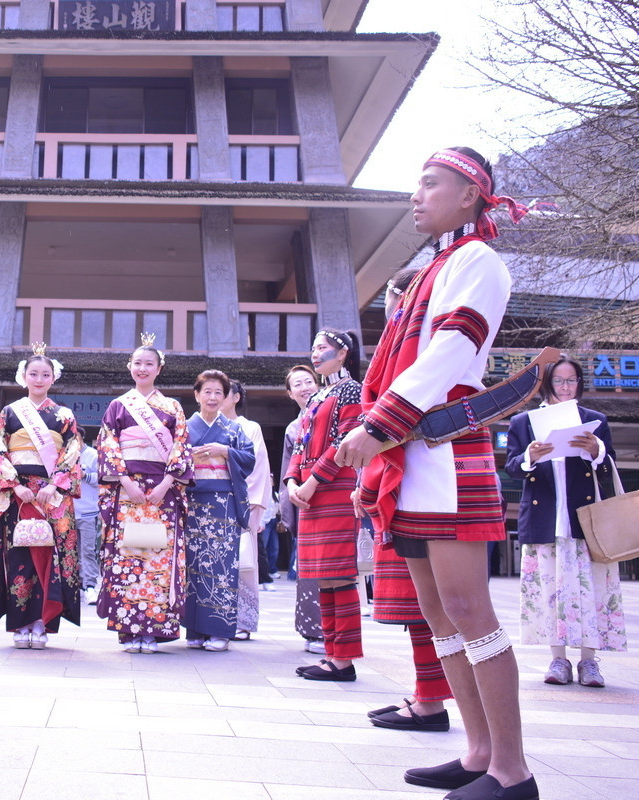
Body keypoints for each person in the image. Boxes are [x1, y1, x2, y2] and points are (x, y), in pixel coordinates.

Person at [338, 146, 535, 799]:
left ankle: (512, 771)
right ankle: (478, 752)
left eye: (431, 183)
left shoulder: (478, 261)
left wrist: (378, 425)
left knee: (468, 607)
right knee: (438, 613)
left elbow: (452, 349)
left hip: (446, 448)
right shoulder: (434, 266)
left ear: (471, 193)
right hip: (415, 454)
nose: (416, 195)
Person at [365, 266, 455, 733]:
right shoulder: (399, 344)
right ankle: (426, 696)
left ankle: (433, 702)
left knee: (434, 605)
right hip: (395, 476)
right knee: (420, 604)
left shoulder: (422, 341)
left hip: (414, 475)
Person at [506, 357, 625, 688]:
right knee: (550, 590)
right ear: (546, 384)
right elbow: (512, 468)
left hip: (585, 521)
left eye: (572, 381)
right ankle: (557, 658)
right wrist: (531, 456)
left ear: (580, 384)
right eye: (559, 381)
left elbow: (607, 470)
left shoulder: (594, 421)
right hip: (545, 518)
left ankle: (589, 662)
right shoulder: (525, 422)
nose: (566, 387)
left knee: (591, 589)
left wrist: (597, 450)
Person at [97, 335, 193, 654]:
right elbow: (108, 444)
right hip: (129, 492)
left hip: (161, 494)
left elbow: (181, 446)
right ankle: (129, 627)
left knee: (157, 560)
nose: (142, 368)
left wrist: (167, 483)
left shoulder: (173, 407)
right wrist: (124, 481)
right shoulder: (118, 406)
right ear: (129, 367)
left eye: (148, 363)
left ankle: (153, 629)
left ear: (159, 368)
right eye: (137, 363)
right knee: (130, 557)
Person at [0, 347, 82, 649]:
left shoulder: (64, 415)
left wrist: (54, 485)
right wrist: (15, 486)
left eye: (45, 374)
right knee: (18, 555)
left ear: (54, 378)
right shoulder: (10, 412)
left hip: (51, 496)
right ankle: (20, 622)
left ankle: (43, 621)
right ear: (23, 377)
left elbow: (73, 452)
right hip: (19, 495)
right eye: (33, 374)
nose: (39, 379)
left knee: (49, 557)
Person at [285, 329, 364, 681]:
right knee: (323, 577)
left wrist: (312, 481)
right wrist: (291, 481)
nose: (316, 353)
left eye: (324, 348)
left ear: (343, 352)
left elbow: (346, 442)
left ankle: (343, 658)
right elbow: (299, 443)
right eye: (314, 347)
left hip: (333, 487)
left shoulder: (351, 390)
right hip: (309, 490)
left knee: (340, 575)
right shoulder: (318, 396)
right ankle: (332, 654)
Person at [184, 370, 255, 650]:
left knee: (222, 564)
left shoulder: (235, 429)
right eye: (207, 391)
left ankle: (219, 630)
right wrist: (189, 456)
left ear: (226, 397)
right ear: (197, 395)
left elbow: (249, 459)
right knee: (193, 563)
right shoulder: (185, 427)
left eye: (218, 392)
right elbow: (172, 461)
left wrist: (225, 452)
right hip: (191, 501)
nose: (212, 397)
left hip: (223, 502)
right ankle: (195, 629)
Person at [281, 365, 324, 654]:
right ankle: (313, 630)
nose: (305, 387)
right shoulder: (293, 428)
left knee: (337, 570)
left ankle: (336, 631)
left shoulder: (333, 413)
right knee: (310, 570)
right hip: (304, 501)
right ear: (289, 393)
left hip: (333, 494)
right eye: (298, 384)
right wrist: (290, 501)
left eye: (309, 381)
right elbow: (288, 470)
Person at [222, 381, 274, 618]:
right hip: (210, 502)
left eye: (223, 393)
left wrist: (252, 505)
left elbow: (258, 467)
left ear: (236, 397)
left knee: (244, 561)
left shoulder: (249, 427)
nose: (216, 397)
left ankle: (244, 619)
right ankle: (215, 618)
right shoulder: (204, 425)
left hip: (242, 503)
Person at [74, 440, 101, 604]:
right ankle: (76, 585)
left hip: (88, 512)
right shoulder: (64, 453)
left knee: (88, 551)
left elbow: (104, 477)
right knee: (70, 553)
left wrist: (85, 475)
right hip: (68, 511)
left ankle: (90, 586)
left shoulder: (93, 455)